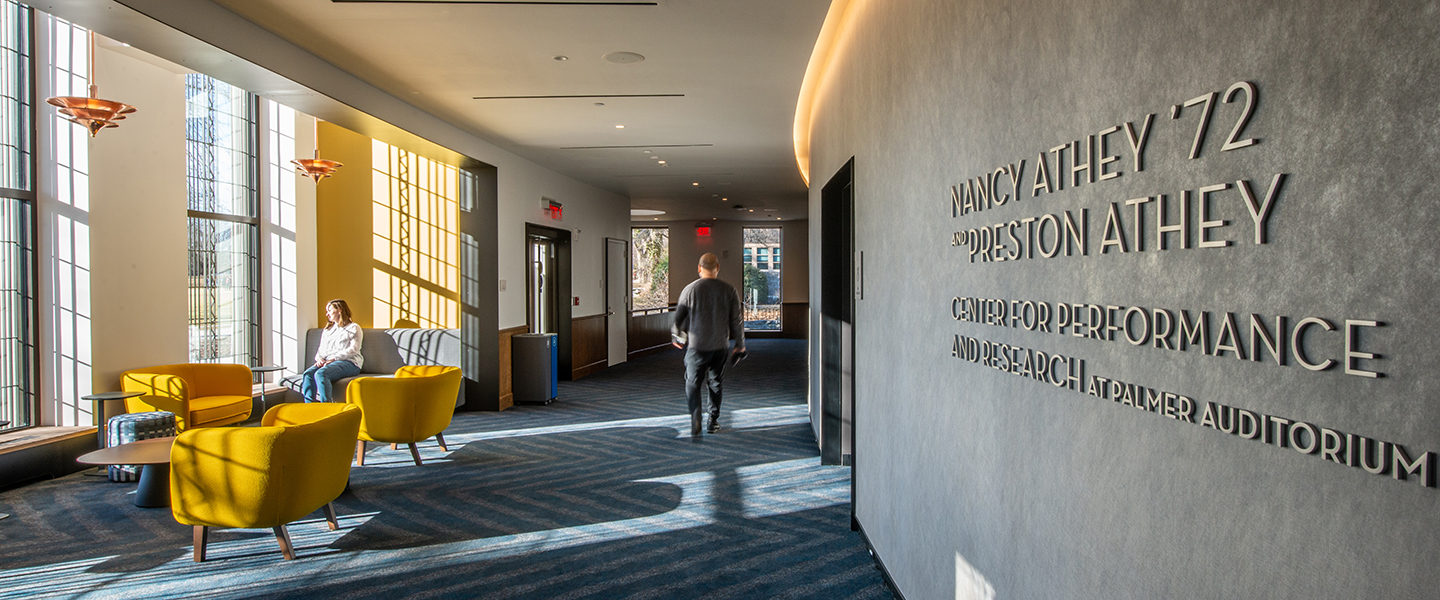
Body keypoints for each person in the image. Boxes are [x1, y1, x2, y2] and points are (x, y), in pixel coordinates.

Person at [672, 253, 745, 436]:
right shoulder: (729, 290)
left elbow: (678, 320)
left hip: (696, 347)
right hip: (720, 346)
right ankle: (713, 421)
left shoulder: (689, 290)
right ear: (718, 267)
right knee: (715, 384)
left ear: (699, 268)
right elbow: (736, 320)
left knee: (692, 383)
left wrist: (677, 337)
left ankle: (696, 415)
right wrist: (740, 344)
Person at [300, 299, 364, 403]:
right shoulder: (328, 330)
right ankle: (310, 407)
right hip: (327, 362)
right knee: (308, 374)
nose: (327, 314)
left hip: (350, 363)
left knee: (321, 374)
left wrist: (334, 359)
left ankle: (328, 407)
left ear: (339, 310)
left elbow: (354, 350)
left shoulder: (354, 328)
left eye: (329, 310)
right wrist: (320, 359)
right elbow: (321, 349)